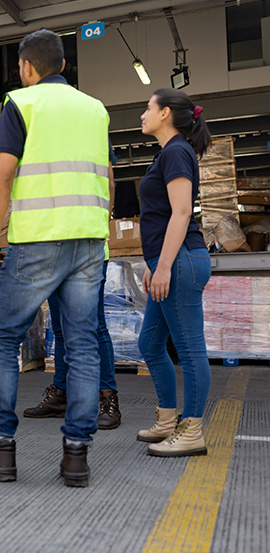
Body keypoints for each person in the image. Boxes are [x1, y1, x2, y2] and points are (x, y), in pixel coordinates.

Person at [0, 29, 112, 488]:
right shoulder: (95, 109)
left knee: (5, 339)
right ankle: (76, 456)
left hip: (38, 242)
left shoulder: (22, 104)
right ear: (64, 67)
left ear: (27, 68)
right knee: (84, 344)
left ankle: (1, 448)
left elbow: (4, 176)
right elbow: (108, 179)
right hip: (89, 240)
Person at [136, 88, 211, 457]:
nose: (142, 115)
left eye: (148, 108)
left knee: (189, 349)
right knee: (149, 344)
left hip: (181, 261)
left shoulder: (177, 151)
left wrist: (164, 265)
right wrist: (155, 265)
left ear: (165, 113)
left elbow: (182, 213)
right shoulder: (168, 153)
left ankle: (192, 429)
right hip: (169, 261)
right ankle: (167, 420)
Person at [24, 151, 121, 430]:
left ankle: (107, 398)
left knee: (94, 326)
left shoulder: (92, 122)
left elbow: (109, 182)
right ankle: (62, 394)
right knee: (61, 327)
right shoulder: (42, 131)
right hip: (51, 247)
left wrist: (101, 226)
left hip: (87, 247)